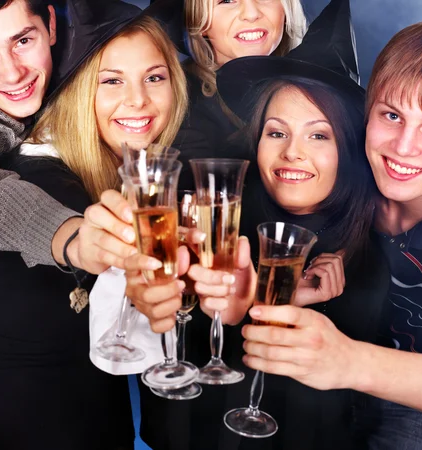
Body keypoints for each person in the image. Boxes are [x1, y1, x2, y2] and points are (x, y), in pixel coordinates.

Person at [238, 19, 422, 450]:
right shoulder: (353, 158)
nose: (402, 147)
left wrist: (347, 361)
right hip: (340, 342)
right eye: (392, 115)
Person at [122, 20, 389, 447]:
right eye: (276, 132)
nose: (292, 152)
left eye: (319, 135)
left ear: (349, 148)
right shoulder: (214, 216)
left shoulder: (365, 261)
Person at [0, 0, 188, 448]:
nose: (13, 73)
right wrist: (74, 239)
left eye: (22, 40)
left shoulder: (72, 135)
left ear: (50, 26)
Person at [174, 0, 361, 189]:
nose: (251, 13)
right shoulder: (182, 105)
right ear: (200, 21)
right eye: (227, 0)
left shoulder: (315, 87)